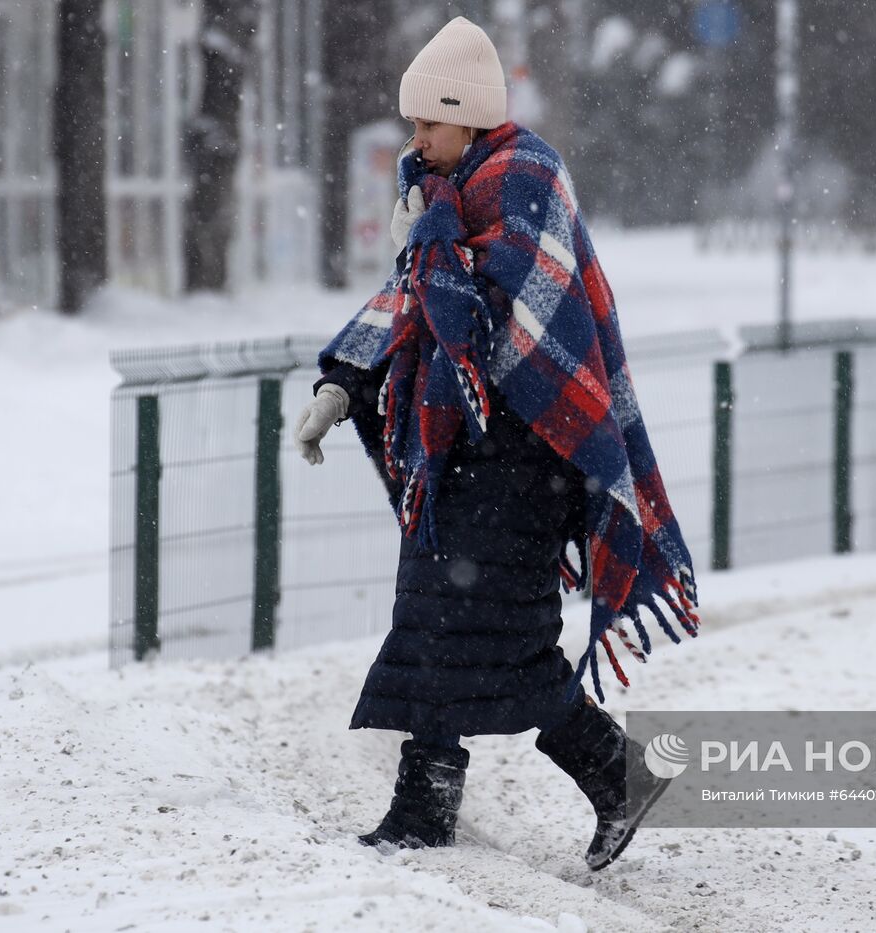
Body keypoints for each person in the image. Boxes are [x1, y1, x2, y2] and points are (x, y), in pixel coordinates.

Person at [292, 16, 699, 871]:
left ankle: (616, 776)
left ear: (469, 116)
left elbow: (512, 320)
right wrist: (343, 383)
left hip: (526, 458)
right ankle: (424, 805)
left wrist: (432, 257)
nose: (416, 138)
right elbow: (414, 303)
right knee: (436, 623)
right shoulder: (442, 197)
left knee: (500, 640)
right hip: (461, 461)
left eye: (427, 123)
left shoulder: (521, 180)